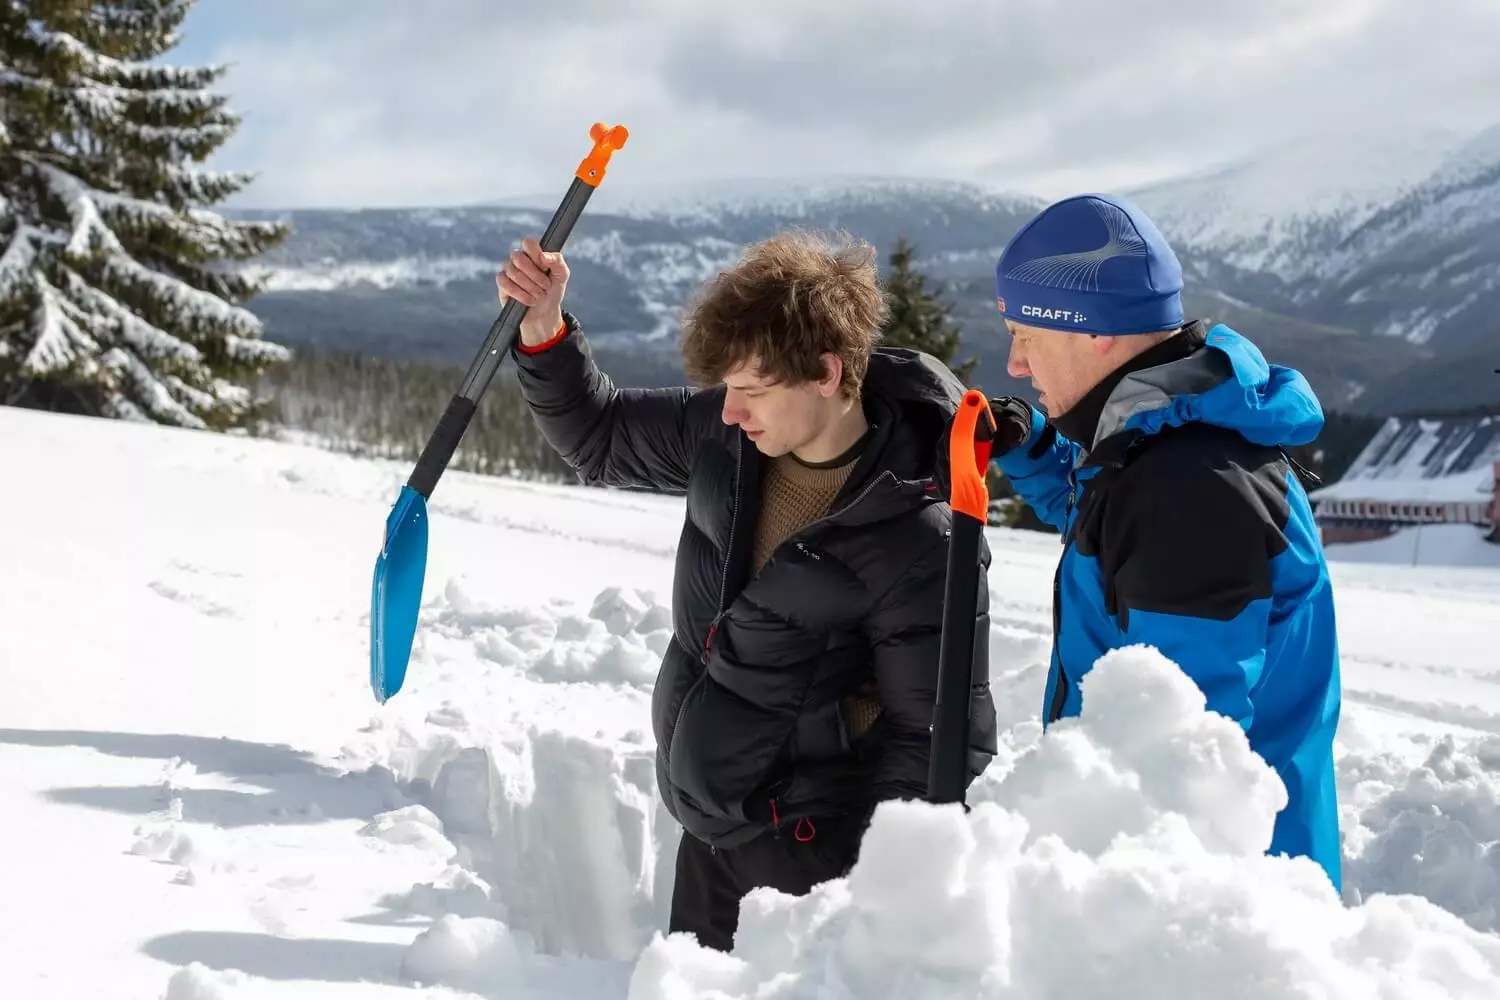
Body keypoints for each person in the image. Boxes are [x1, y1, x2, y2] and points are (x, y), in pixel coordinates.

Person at [496, 228, 999, 951]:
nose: (730, 410)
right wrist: (542, 328)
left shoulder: (916, 532)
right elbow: (600, 437)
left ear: (827, 374)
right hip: (712, 821)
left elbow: (933, 747)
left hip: (806, 857)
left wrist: (872, 906)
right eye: (725, 390)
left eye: (752, 391)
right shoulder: (728, 434)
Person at [970, 192, 1342, 892]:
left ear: (1094, 332)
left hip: (1209, 918)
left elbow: (1182, 767)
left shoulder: (1188, 490)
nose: (1016, 364)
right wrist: (1031, 446)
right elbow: (1108, 537)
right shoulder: (1166, 437)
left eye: (1027, 335)